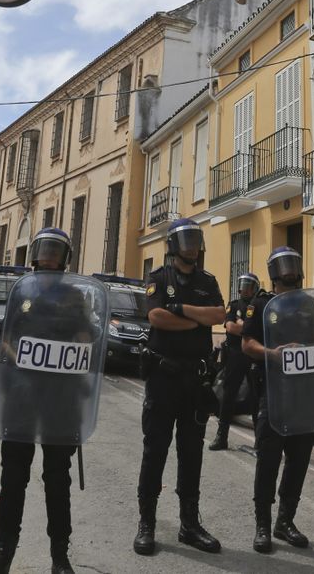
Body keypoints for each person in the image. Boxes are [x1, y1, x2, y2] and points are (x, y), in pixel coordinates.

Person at [0, 227, 97, 574]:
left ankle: (60, 557)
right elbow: (8, 337)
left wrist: (77, 344)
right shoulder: (21, 292)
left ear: (64, 258)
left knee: (58, 477)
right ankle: (4, 554)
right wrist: (19, 358)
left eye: (56, 252)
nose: (48, 257)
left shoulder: (75, 296)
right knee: (14, 475)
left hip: (61, 397)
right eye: (44, 250)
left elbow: (87, 338)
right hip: (23, 395)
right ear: (34, 255)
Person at [134, 217, 225, 556]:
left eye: (195, 239)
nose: (191, 246)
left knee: (192, 453)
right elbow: (157, 318)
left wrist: (182, 311)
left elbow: (218, 316)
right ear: (173, 245)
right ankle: (147, 523)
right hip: (163, 379)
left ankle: (189, 524)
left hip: (195, 381)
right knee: (154, 450)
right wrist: (195, 320)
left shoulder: (208, 280)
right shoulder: (159, 278)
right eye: (185, 240)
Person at [242, 246, 314, 553]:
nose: (291, 270)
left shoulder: (310, 302)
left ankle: (285, 521)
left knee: (299, 460)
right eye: (284, 265)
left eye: (294, 264)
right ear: (274, 271)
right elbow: (247, 343)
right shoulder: (261, 304)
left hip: (305, 394)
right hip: (274, 394)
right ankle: (263, 524)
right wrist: (271, 354)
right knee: (269, 460)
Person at [209, 270, 260, 451]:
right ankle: (221, 436)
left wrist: (243, 325)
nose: (243, 289)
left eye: (247, 286)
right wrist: (248, 327)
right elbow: (230, 327)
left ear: (254, 288)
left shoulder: (258, 305)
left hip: (253, 356)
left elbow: (258, 330)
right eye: (242, 286)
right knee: (228, 396)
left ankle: (260, 442)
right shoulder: (234, 304)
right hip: (235, 355)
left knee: (256, 397)